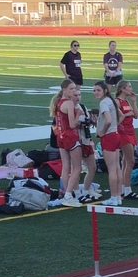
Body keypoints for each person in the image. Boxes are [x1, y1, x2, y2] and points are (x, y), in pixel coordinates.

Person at [52, 79, 83, 207]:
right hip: (71, 136)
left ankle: (66, 193)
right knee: (77, 168)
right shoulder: (69, 103)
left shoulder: (59, 102)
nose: (74, 91)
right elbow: (72, 124)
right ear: (64, 90)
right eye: (71, 89)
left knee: (65, 166)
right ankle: (68, 195)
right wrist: (79, 114)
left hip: (61, 136)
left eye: (75, 88)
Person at [93, 81, 123, 207]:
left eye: (98, 90)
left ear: (105, 90)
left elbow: (109, 120)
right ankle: (118, 196)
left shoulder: (104, 102)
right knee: (117, 167)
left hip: (109, 136)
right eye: (94, 90)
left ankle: (114, 197)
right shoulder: (111, 101)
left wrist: (102, 132)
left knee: (112, 169)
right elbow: (121, 116)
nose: (95, 93)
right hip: (115, 135)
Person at [116, 80, 138, 200]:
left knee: (126, 162)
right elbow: (117, 118)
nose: (131, 89)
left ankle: (123, 189)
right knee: (130, 162)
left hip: (131, 131)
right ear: (122, 89)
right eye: (129, 87)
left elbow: (136, 115)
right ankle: (127, 189)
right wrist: (127, 114)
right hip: (123, 133)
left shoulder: (126, 101)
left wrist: (134, 102)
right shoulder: (117, 102)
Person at [75, 87, 99, 202]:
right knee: (76, 169)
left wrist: (91, 121)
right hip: (75, 142)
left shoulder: (83, 107)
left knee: (92, 167)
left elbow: (88, 122)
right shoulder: (68, 108)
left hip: (85, 140)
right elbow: (71, 124)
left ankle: (85, 190)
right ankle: (73, 193)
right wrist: (82, 122)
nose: (78, 97)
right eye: (75, 95)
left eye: (79, 95)